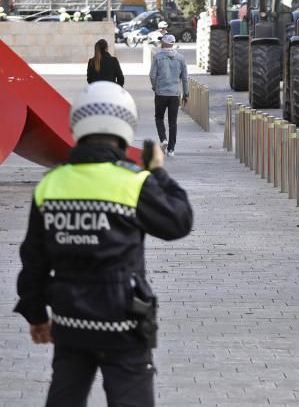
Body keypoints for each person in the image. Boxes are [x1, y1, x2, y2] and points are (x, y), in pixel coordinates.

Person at [14, 81, 193, 407]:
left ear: (76, 125)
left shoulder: (51, 185)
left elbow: (34, 261)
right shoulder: (134, 183)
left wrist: (36, 315)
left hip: (70, 323)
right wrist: (159, 175)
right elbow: (179, 223)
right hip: (123, 323)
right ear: (125, 126)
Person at [149, 34, 189, 157]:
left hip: (161, 93)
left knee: (159, 118)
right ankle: (171, 149)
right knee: (173, 122)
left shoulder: (158, 57)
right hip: (174, 94)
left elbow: (152, 75)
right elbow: (184, 78)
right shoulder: (181, 58)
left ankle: (163, 139)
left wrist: (155, 87)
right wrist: (186, 94)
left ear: (165, 43)